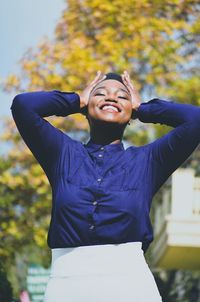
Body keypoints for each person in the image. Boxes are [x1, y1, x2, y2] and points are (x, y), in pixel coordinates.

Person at [11, 70, 200, 302]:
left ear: (131, 113)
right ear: (86, 109)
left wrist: (143, 108)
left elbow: (195, 119)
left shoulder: (148, 161)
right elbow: (23, 105)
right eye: (100, 93)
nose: (111, 98)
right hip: (66, 286)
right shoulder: (62, 154)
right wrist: (76, 99)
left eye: (122, 96)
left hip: (130, 285)